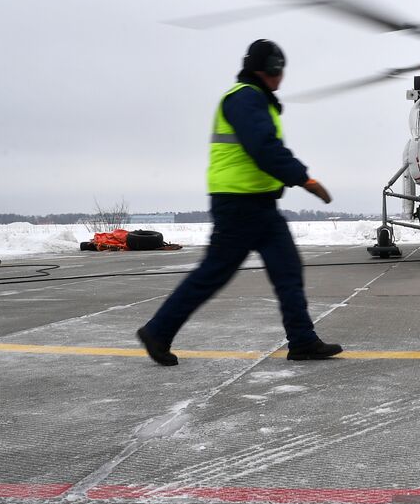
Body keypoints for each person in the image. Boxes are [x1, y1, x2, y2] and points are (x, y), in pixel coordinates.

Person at [137, 39, 343, 366]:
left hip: (260, 206)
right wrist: (303, 178)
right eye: (278, 69)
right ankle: (158, 330)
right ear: (266, 69)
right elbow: (263, 147)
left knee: (287, 269)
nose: (281, 77)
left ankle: (302, 340)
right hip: (238, 206)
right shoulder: (244, 99)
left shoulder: (256, 99)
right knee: (213, 273)